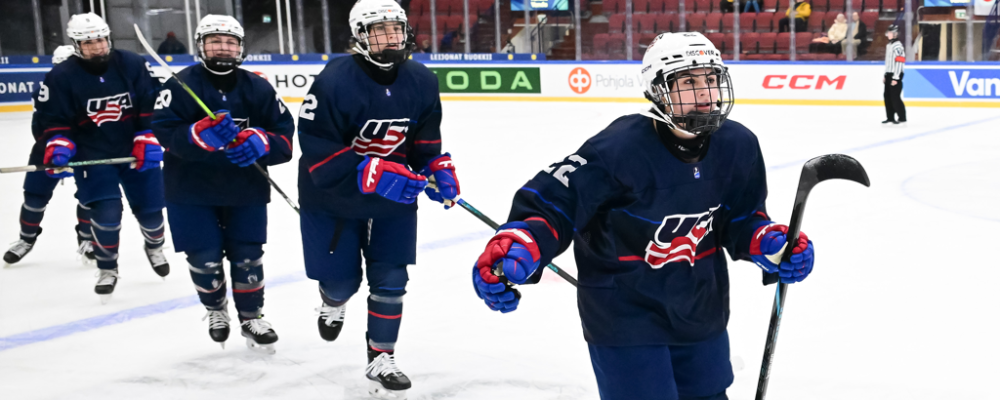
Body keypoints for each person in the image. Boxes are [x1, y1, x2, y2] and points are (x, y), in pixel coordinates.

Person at [470, 32, 816, 400]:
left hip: (699, 307)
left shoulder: (738, 144)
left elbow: (742, 218)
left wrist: (770, 242)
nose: (705, 92)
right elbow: (554, 205)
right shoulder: (617, 149)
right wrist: (521, 244)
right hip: (624, 314)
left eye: (711, 78)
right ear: (657, 90)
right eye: (688, 82)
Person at [296, 0, 458, 397]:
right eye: (379, 30)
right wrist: (365, 170)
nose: (391, 37)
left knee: (391, 278)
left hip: (394, 192)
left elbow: (425, 139)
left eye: (396, 28)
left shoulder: (422, 79)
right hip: (333, 194)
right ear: (359, 37)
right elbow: (316, 146)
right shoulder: (334, 79)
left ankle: (381, 356)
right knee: (341, 281)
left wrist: (437, 167)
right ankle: (332, 300)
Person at [151, 14, 294, 353]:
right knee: (205, 257)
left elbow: (285, 138)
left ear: (240, 48)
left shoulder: (258, 87)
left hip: (245, 188)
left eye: (230, 42)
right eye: (215, 41)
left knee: (247, 255)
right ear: (201, 45)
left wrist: (262, 142)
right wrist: (195, 136)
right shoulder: (179, 85)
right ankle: (216, 310)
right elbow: (163, 131)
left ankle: (251, 317)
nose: (223, 47)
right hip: (189, 190)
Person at [34, 13, 167, 302]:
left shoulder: (131, 62)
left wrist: (147, 134)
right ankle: (108, 268)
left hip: (135, 150)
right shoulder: (61, 76)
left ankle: (155, 246)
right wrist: (59, 143)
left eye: (100, 40)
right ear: (76, 44)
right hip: (93, 156)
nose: (96, 47)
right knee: (106, 216)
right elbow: (53, 118)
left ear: (108, 38)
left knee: (152, 213)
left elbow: (151, 100)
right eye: (88, 43)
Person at [3, 45, 96, 267]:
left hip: (85, 150)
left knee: (91, 196)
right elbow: (40, 127)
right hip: (49, 149)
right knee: (35, 197)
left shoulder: (94, 89)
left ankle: (87, 239)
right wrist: (54, 151)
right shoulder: (46, 91)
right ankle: (26, 239)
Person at [883, 24, 906, 124]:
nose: (887, 34)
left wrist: (896, 77)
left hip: (895, 74)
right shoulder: (889, 45)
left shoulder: (897, 46)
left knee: (895, 97)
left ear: (895, 34)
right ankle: (890, 117)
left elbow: (900, 61)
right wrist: (885, 74)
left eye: (889, 32)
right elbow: (889, 62)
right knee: (887, 96)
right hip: (889, 74)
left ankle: (902, 117)